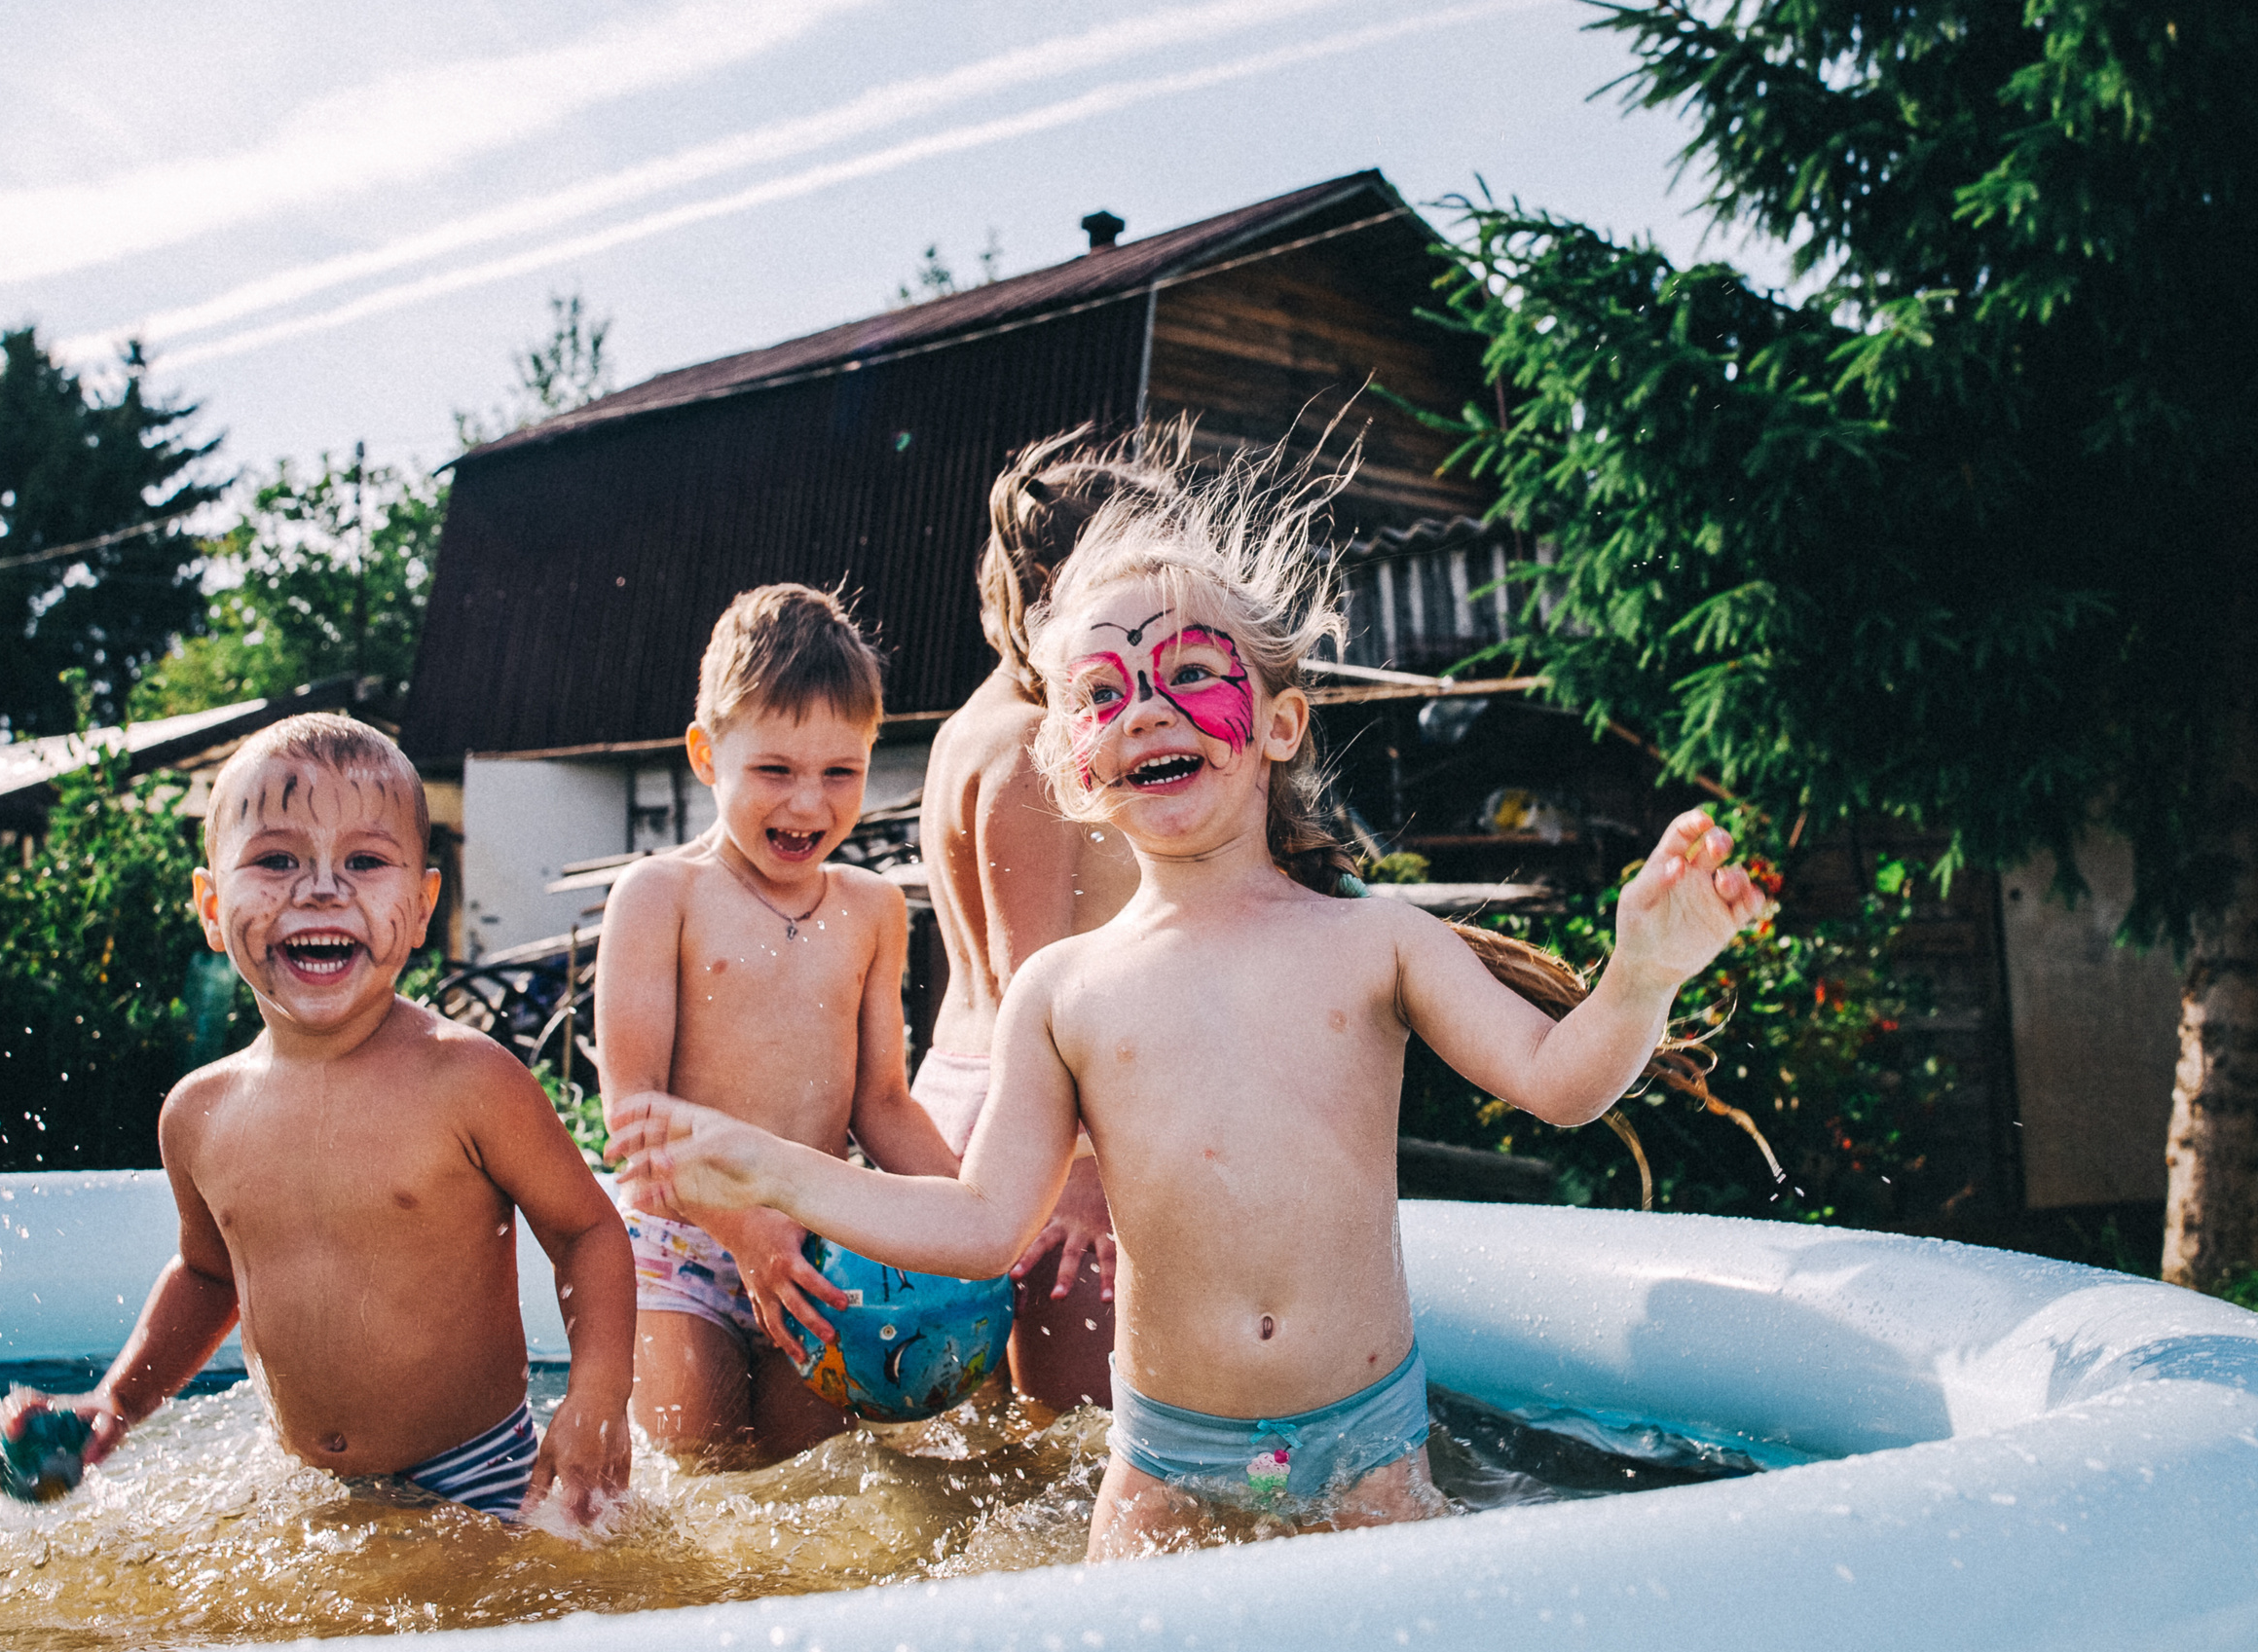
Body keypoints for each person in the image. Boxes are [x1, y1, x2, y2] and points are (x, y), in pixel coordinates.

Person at [610, 466, 1771, 1558]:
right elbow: (977, 1228)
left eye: (1191, 676)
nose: (1150, 710)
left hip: (1367, 1445)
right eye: (1106, 694)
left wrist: (1640, 977)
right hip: (1163, 1464)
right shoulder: (1064, 992)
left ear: (1279, 724)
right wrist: (766, 1170)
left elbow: (1563, 1083)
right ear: (1071, 766)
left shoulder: (1374, 943)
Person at [0, 714, 637, 1524]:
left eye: (364, 860)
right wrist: (112, 1403)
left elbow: (588, 1232)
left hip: (483, 1476)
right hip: (306, 1484)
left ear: (426, 900)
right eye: (276, 860)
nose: (323, 887)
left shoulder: (466, 1078)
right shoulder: (199, 1111)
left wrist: (597, 1394)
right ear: (212, 906)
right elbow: (209, 1273)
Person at [596, 584, 963, 1467]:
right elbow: (634, 1115)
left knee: (813, 1483)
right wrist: (742, 1227)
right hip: (682, 1240)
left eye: (841, 772)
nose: (808, 804)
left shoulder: (875, 908)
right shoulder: (661, 898)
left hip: (819, 1254)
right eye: (775, 771)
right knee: (706, 1478)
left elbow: (880, 1103)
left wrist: (975, 1217)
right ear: (706, 754)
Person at [915, 426, 1180, 1412]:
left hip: (959, 1093)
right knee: (1078, 1432)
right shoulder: (1036, 744)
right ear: (1059, 580)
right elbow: (1041, 986)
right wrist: (1069, 1173)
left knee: (991, 1430)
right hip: (1035, 1122)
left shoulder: (966, 725)